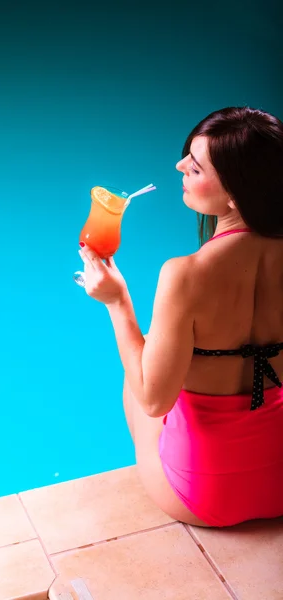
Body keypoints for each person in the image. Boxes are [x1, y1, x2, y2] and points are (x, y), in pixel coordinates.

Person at [78, 106, 283, 528]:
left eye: (194, 166)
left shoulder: (186, 274)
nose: (178, 166)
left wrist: (118, 302)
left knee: (146, 353)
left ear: (235, 193)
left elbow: (154, 400)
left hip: (203, 497)